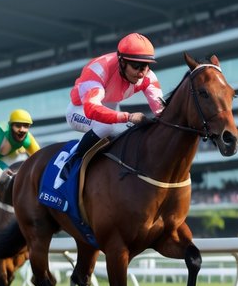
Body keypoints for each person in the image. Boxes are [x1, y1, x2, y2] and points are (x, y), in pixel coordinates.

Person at [58, 32, 165, 183]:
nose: (141, 72)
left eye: (145, 66)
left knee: (136, 132)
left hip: (110, 110)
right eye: (136, 66)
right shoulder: (98, 70)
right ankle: (73, 160)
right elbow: (92, 109)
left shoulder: (147, 76)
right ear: (121, 61)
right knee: (105, 126)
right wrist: (128, 117)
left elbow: (162, 112)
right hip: (80, 110)